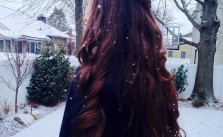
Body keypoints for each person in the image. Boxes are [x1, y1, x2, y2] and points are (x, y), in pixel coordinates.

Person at [60, 0, 183, 137]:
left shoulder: (89, 81)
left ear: (105, 13)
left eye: (89, 3)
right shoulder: (158, 78)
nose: (85, 17)